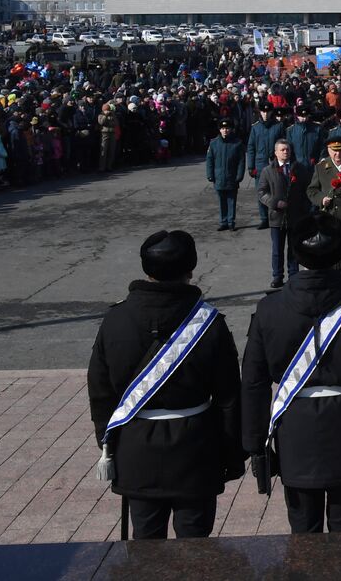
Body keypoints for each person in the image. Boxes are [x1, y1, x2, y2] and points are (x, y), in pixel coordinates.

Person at [241, 215, 341, 533]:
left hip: (295, 434)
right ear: (339, 255)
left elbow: (253, 383)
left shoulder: (269, 309)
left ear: (296, 255)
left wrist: (255, 443)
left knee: (304, 537)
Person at [87, 230, 243, 540]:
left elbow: (100, 391)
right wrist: (231, 452)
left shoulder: (115, 320)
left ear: (146, 269)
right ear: (190, 269)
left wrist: (109, 442)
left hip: (136, 447)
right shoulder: (209, 323)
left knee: (145, 549)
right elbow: (229, 397)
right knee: (196, 549)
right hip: (195, 449)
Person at [257, 138, 313, 287]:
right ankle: (277, 276)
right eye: (282, 150)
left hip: (295, 216)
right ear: (276, 152)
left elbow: (308, 189)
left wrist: (305, 209)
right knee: (277, 250)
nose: (285, 152)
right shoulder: (268, 171)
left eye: (287, 149)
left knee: (294, 248)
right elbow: (262, 192)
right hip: (277, 217)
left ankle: (293, 275)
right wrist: (274, 203)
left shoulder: (299, 169)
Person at [306, 137, 341, 272]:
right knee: (333, 255)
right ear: (328, 150)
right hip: (331, 217)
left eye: (340, 150)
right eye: (334, 151)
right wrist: (321, 199)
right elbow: (311, 189)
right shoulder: (321, 167)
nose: (337, 154)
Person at [247, 102, 287, 229]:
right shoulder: (255, 127)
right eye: (263, 112)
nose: (265, 114)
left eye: (267, 112)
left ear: (271, 113)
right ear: (260, 112)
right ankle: (264, 218)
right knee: (262, 192)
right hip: (260, 163)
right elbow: (251, 147)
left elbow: (284, 144)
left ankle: (275, 217)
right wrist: (250, 166)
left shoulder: (278, 126)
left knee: (276, 191)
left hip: (275, 163)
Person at [205, 119, 246, 231]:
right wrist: (210, 175)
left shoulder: (237, 143)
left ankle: (231, 222)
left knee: (231, 201)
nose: (225, 131)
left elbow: (241, 161)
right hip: (218, 177)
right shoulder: (214, 143)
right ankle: (223, 222)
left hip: (232, 177)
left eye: (227, 128)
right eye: (223, 128)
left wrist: (239, 175)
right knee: (221, 201)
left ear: (231, 129)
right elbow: (209, 160)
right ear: (219, 130)